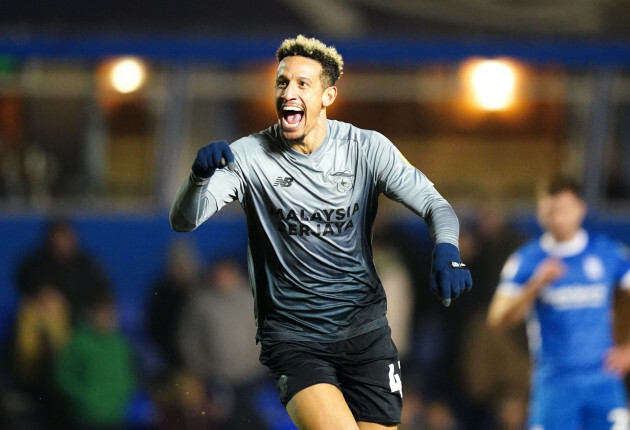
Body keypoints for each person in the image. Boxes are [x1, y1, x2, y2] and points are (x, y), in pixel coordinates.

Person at [169, 34, 472, 430]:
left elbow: (436, 204)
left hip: (366, 336)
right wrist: (198, 178)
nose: (288, 91)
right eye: (281, 82)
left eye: (302, 84)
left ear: (327, 96)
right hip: (295, 341)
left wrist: (447, 248)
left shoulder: (367, 148)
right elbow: (185, 221)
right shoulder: (248, 155)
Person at [487, 175, 630, 430]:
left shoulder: (607, 252)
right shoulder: (528, 260)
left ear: (580, 209)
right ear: (540, 213)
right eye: (550, 212)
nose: (558, 219)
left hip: (603, 380)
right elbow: (498, 317)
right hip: (554, 383)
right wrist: (536, 285)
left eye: (563, 210)